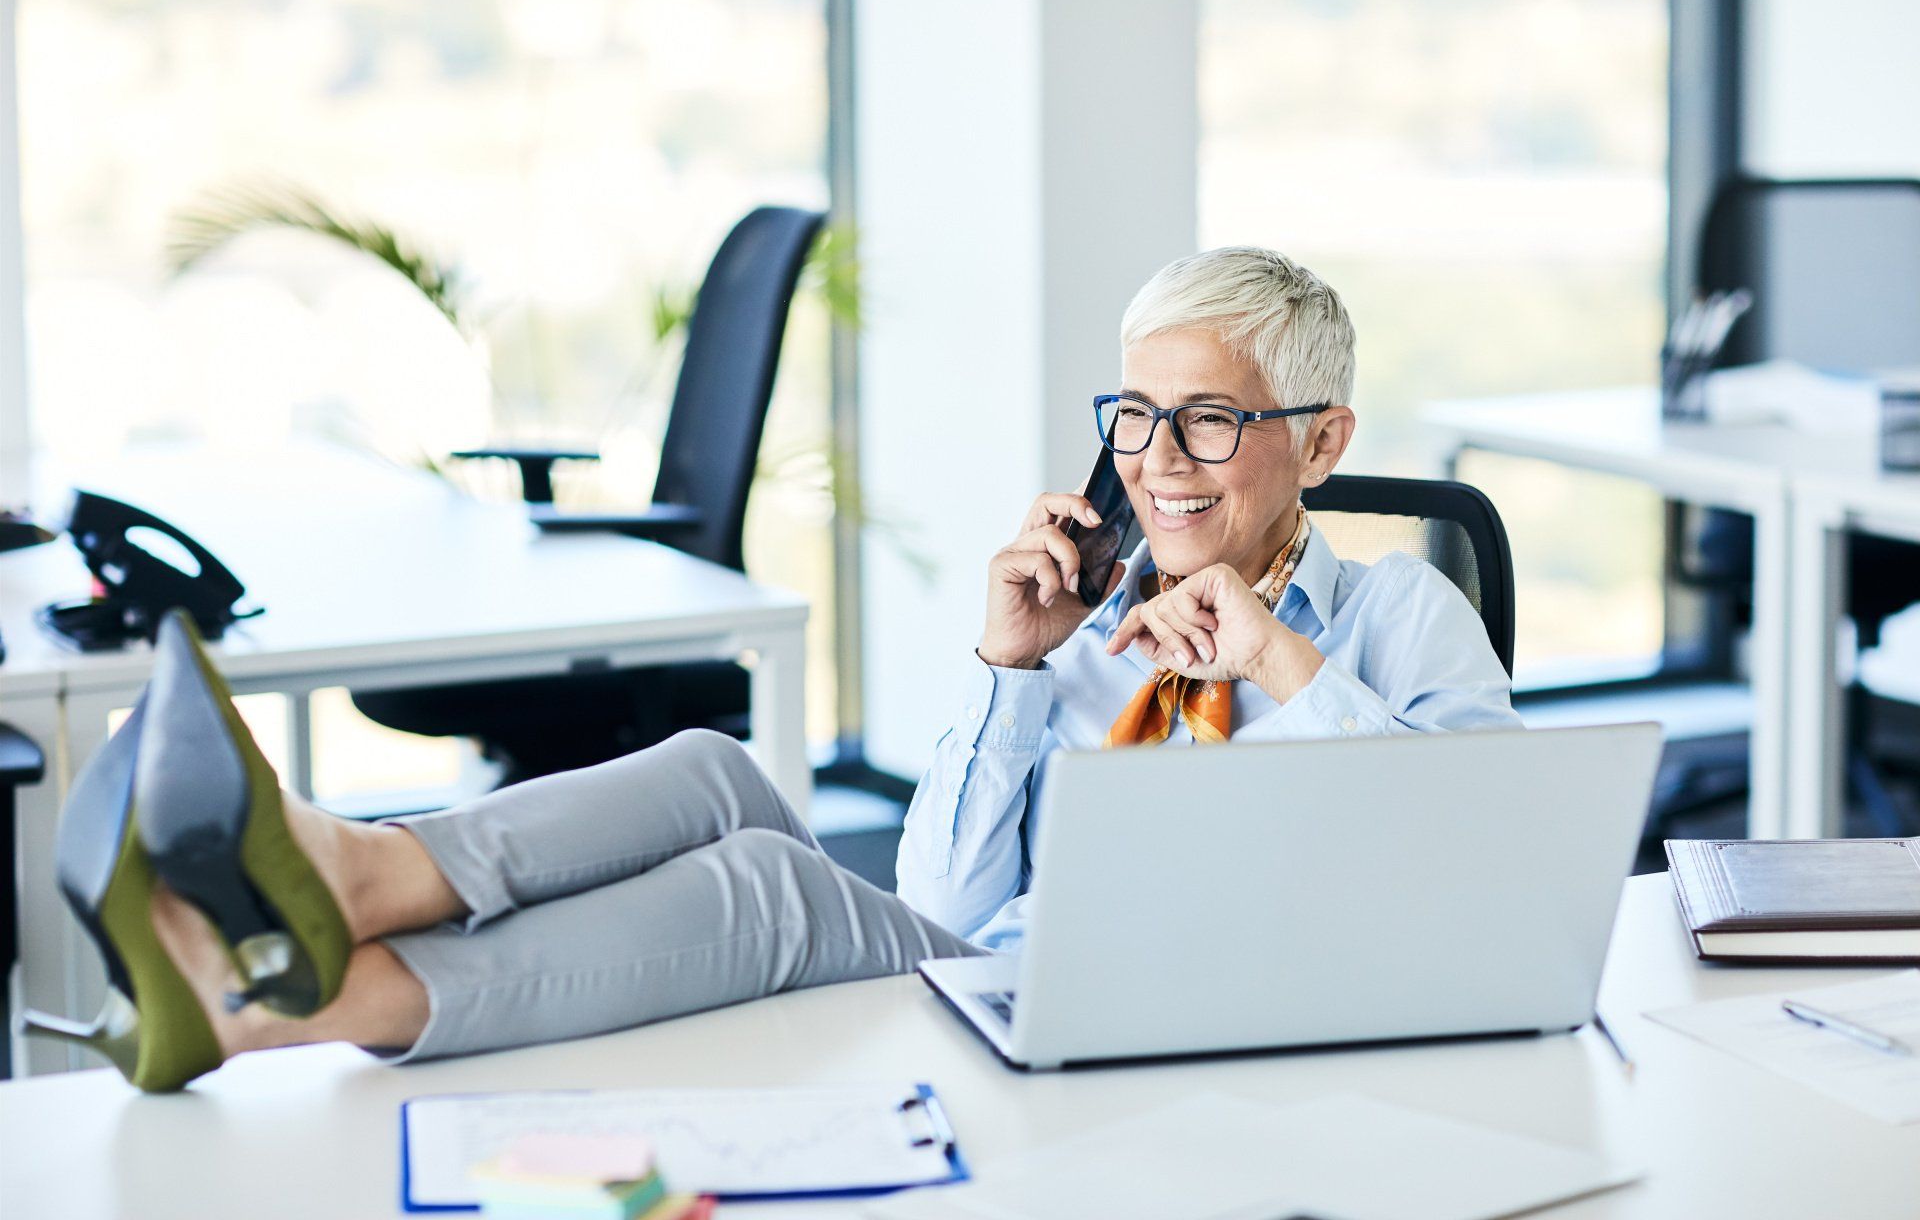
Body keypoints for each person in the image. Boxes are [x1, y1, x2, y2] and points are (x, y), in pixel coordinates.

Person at [31, 247, 1519, 1092]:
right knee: (715, 775)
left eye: (1209, 422)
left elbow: (1476, 883)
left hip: (1190, 1024)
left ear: (1321, 441)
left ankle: (305, 967)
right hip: (1016, 989)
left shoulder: (1400, 624)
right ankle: (300, 938)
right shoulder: (1101, 621)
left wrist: (1272, 655)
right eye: (1135, 417)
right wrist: (1010, 673)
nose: (1158, 463)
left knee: (772, 890)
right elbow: (942, 903)